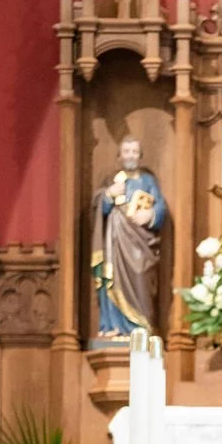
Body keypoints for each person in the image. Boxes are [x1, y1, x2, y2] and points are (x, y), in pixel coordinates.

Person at [90, 135, 167, 339]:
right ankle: (114, 324)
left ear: (140, 156)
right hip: (115, 241)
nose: (130, 155)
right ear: (119, 156)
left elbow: (160, 206)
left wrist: (150, 215)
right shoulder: (112, 180)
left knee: (141, 278)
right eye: (126, 151)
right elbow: (98, 209)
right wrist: (108, 195)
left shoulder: (148, 180)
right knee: (113, 279)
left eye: (134, 151)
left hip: (141, 243)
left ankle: (141, 325)